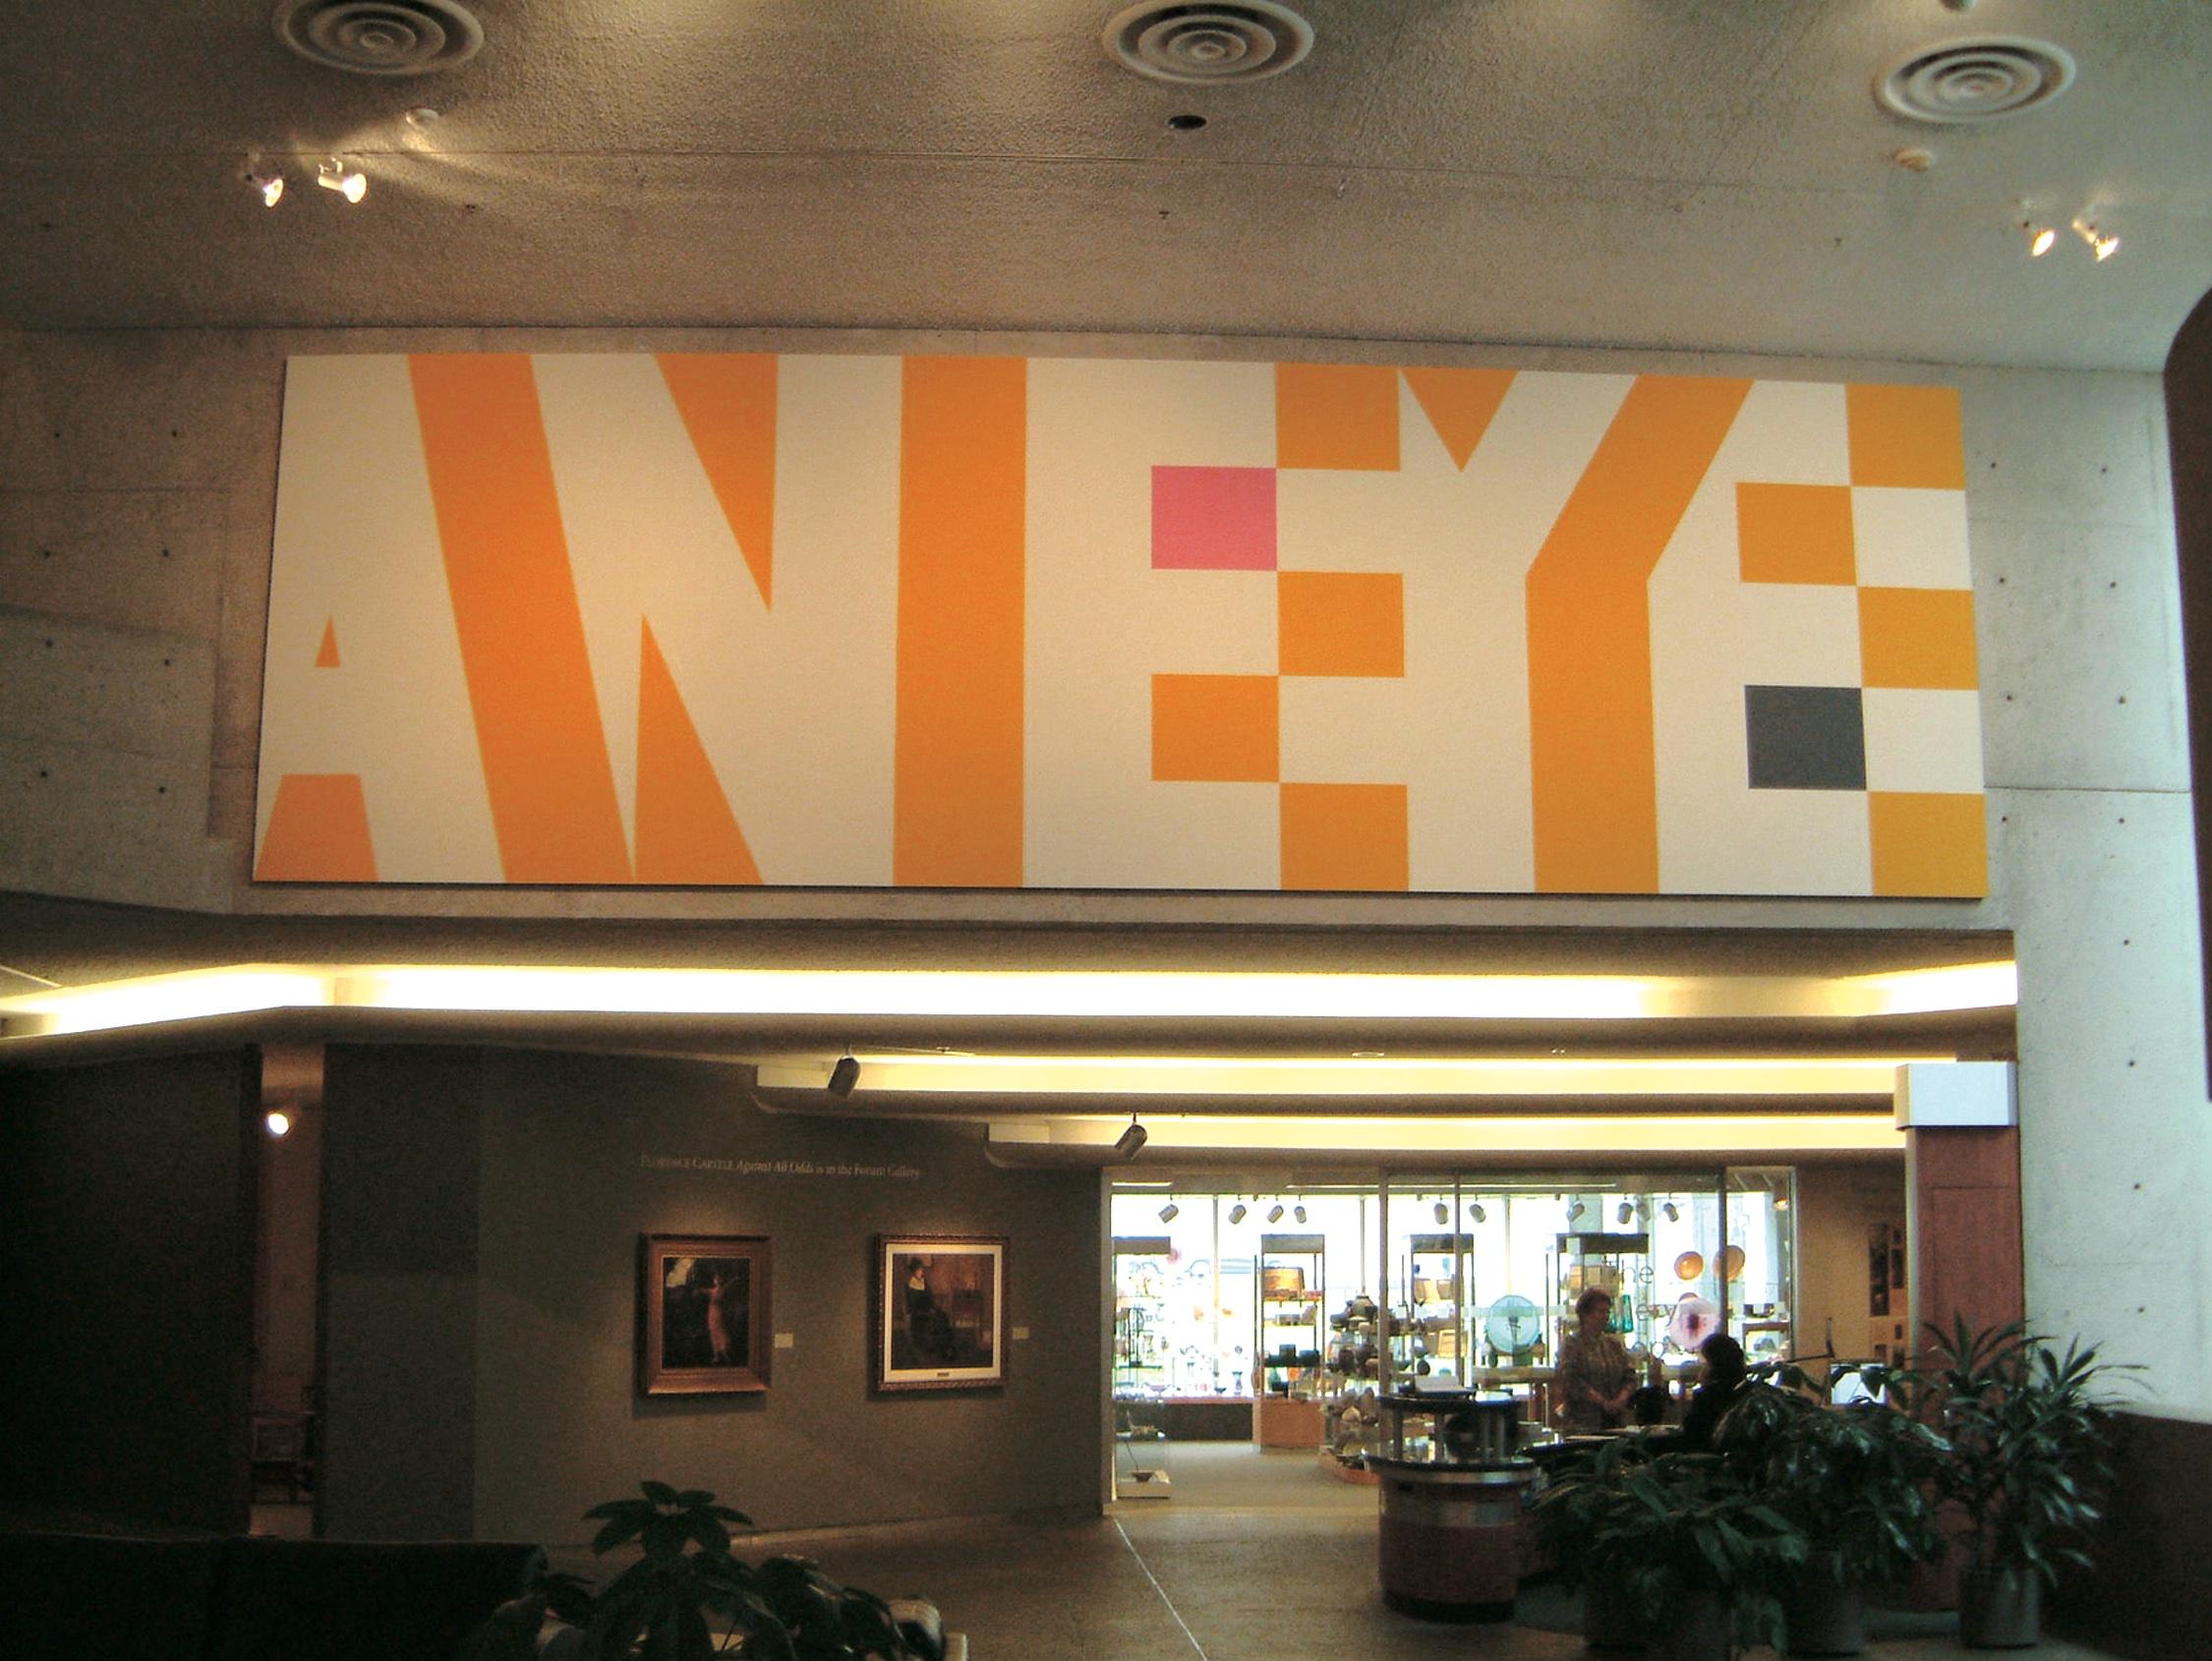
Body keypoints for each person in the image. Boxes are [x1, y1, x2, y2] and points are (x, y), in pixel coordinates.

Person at [1554, 1288, 1636, 1431]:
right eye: (1601, 1311)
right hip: (1583, 1422)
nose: (1606, 1316)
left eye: (1608, 1312)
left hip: (1615, 1421)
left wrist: (1621, 1399)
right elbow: (1571, 1380)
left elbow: (1629, 1375)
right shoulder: (1572, 1344)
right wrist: (1602, 1402)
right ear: (1585, 1314)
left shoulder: (1613, 1344)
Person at [1679, 1332, 1749, 1448]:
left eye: (1702, 1363)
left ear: (1713, 1365)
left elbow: (1692, 1436)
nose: (1700, 1369)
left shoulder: (1706, 1397)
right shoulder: (1748, 1390)